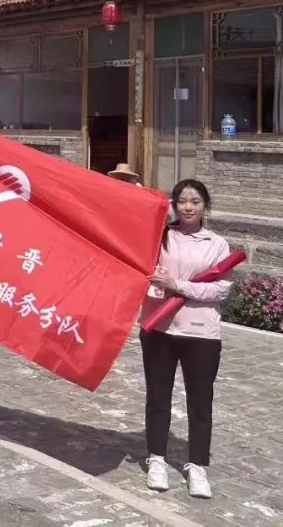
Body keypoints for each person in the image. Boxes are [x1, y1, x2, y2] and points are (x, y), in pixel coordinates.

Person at [140, 179, 232, 499]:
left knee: (200, 402)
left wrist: (177, 285)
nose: (188, 207)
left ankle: (197, 466)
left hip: (201, 333)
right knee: (158, 398)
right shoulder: (160, 237)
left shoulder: (217, 244)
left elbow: (220, 289)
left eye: (195, 201)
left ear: (205, 206)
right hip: (160, 329)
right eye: (182, 201)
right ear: (174, 205)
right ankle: (156, 458)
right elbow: (143, 271)